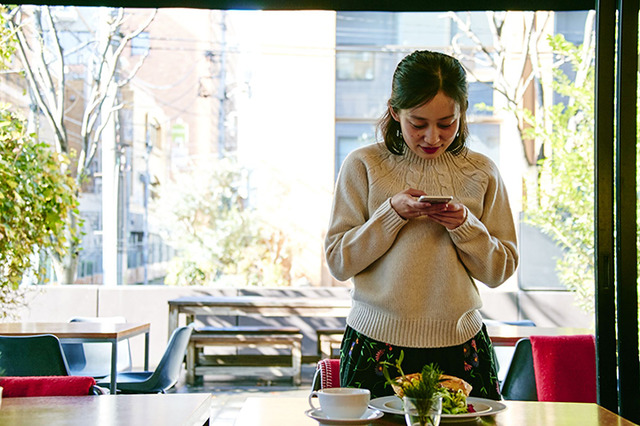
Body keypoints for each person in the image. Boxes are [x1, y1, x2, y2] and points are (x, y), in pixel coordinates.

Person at [324, 50, 518, 401]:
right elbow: (339, 262)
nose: (432, 137)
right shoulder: (363, 165)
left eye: (447, 123)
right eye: (418, 123)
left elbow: (499, 271)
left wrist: (465, 226)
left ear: (462, 113)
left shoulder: (482, 171)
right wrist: (391, 214)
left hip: (461, 345)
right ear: (395, 111)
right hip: (375, 345)